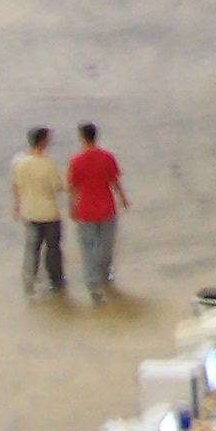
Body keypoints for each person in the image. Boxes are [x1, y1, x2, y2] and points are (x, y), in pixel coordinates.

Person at [67, 121, 128, 303]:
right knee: (105, 246)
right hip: (106, 208)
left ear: (81, 138)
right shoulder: (107, 157)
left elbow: (72, 188)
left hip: (85, 210)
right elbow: (114, 181)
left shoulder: (76, 160)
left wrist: (71, 207)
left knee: (88, 248)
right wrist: (123, 199)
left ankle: (92, 282)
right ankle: (105, 276)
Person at [11, 126, 65, 297]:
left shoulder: (18, 162)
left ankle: (29, 280)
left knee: (32, 247)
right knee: (52, 248)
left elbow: (16, 186)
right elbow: (57, 187)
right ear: (43, 142)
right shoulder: (48, 164)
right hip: (49, 212)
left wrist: (17, 207)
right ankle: (56, 281)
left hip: (29, 212)